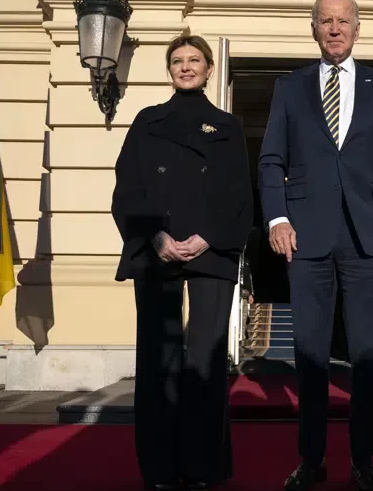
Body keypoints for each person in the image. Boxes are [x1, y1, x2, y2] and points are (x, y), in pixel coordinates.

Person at [258, 0, 373, 491]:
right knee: (310, 355)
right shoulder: (289, 87)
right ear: (314, 29)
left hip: (368, 236)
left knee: (366, 356)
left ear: (357, 29)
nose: (335, 28)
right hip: (305, 236)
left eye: (344, 20)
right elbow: (271, 160)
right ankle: (312, 458)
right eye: (326, 21)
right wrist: (277, 218)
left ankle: (364, 460)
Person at [111, 34, 253, 490]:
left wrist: (207, 237)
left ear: (209, 69)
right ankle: (160, 468)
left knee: (206, 360)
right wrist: (155, 236)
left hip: (210, 249)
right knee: (159, 359)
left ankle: (203, 466)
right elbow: (127, 188)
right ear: (169, 69)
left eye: (194, 60)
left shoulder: (228, 126)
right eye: (178, 60)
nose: (186, 66)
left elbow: (239, 192)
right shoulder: (147, 121)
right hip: (157, 249)